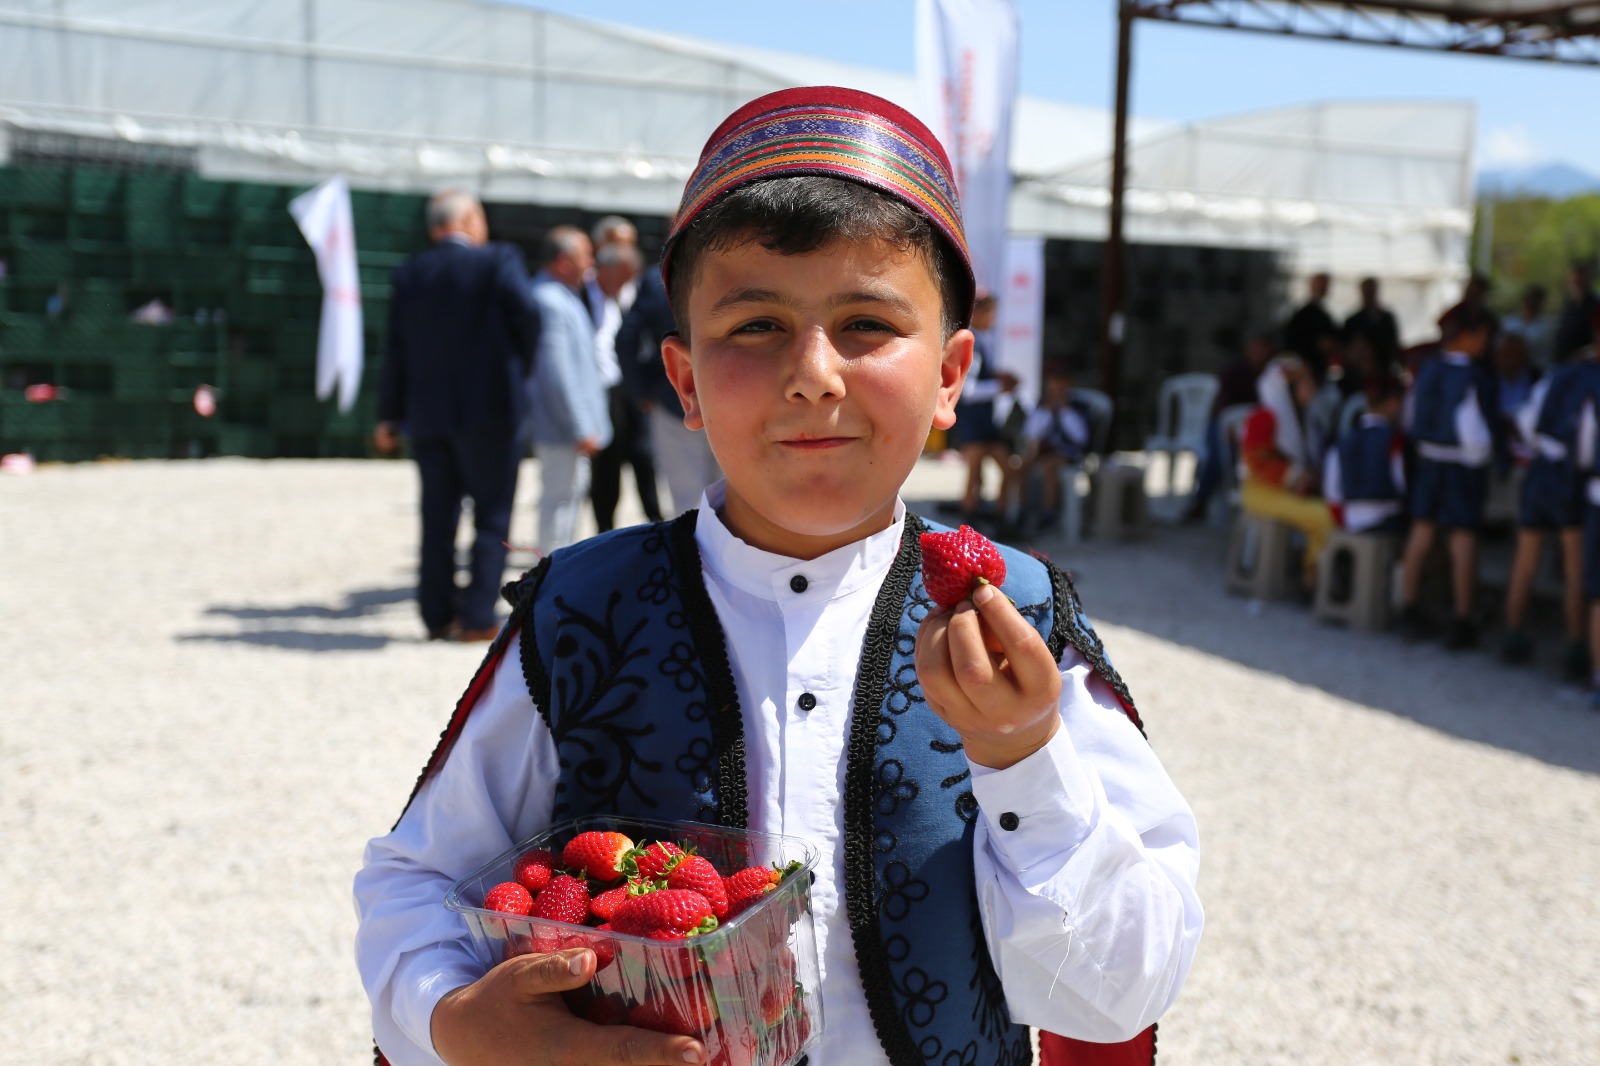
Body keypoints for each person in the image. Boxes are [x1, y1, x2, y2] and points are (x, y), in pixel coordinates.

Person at [355, 86, 1201, 1066]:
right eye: (756, 326)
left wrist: (1023, 757)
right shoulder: (582, 611)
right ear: (685, 382)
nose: (813, 373)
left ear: (950, 376)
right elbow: (418, 879)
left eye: (867, 323)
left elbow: (1121, 987)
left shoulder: (1017, 617)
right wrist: (454, 1018)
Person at [373, 189, 540, 642]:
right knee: (491, 514)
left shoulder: (410, 273)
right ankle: (477, 616)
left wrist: (389, 416)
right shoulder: (499, 261)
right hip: (492, 410)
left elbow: (395, 352)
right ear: (468, 220)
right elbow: (528, 318)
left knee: (436, 518)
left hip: (428, 415)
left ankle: (436, 615)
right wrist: (516, 373)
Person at [1396, 306, 1497, 649]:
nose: (1486, 344)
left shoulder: (1427, 369)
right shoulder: (1473, 377)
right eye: (1483, 337)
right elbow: (1475, 433)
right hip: (1460, 466)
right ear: (1466, 336)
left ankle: (1408, 607)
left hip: (1428, 460)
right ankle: (1462, 618)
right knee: (1462, 539)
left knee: (1421, 533)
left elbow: (1410, 417)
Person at [1501, 349, 1600, 675]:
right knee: (1574, 568)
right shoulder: (1592, 381)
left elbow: (1526, 421)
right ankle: (1576, 648)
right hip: (1569, 479)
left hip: (1540, 470)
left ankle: (1512, 635)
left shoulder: (1556, 375)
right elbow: (1587, 443)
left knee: (1525, 560)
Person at [526, 225, 611, 554]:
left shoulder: (563, 297)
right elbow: (557, 373)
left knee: (569, 496)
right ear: (564, 262)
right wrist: (580, 426)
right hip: (562, 428)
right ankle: (550, 569)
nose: (591, 263)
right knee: (559, 499)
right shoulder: (550, 301)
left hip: (568, 427)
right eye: (585, 255)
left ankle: (556, 566)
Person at [617, 263, 723, 517]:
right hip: (729, 398)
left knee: (688, 501)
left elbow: (626, 337)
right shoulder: (738, 264)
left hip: (675, 400)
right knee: (732, 500)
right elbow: (626, 338)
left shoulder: (656, 278)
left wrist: (641, 392)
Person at [587, 241, 664, 532]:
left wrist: (641, 389)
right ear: (608, 270)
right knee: (607, 466)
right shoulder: (584, 295)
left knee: (644, 458)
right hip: (602, 393)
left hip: (632, 390)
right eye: (625, 275)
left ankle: (655, 520)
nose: (628, 281)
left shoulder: (631, 292)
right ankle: (604, 528)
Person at [1239, 355, 1333, 585]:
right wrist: (1296, 476)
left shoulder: (1307, 419)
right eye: (1305, 383)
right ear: (1289, 389)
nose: (1312, 388)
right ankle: (1310, 575)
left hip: (1286, 491)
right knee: (1325, 517)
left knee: (1334, 511)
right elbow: (1256, 463)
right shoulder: (1263, 417)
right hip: (1262, 491)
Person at [1182, 330, 1273, 523]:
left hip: (1253, 430)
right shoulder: (1232, 371)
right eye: (1256, 347)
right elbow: (1225, 406)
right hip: (1223, 425)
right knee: (1219, 454)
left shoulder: (1271, 375)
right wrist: (1231, 428)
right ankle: (1200, 502)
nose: (1259, 352)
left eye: (1263, 348)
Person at [949, 288, 1021, 523]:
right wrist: (1000, 386)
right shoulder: (974, 344)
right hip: (974, 422)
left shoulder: (983, 341)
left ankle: (996, 517)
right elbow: (968, 390)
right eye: (990, 313)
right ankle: (971, 522)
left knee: (995, 472)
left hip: (984, 423)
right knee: (975, 475)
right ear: (977, 314)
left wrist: (997, 378)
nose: (993, 318)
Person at [1002, 363, 1097, 533]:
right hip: (1043, 451)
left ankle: (1048, 513)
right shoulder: (1042, 404)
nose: (1057, 387)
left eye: (1061, 382)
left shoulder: (1079, 406)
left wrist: (1065, 411)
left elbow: (1080, 438)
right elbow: (1031, 433)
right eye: (1054, 382)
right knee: (1021, 465)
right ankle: (1021, 511)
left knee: (1049, 466)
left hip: (1068, 453)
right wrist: (1046, 412)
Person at [1323, 373, 1406, 536]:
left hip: (1350, 521)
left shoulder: (1341, 443)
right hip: (1389, 520)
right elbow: (1403, 484)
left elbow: (1332, 494)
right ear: (1393, 402)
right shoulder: (1395, 441)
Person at [1283, 272, 1338, 380]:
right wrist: (1316, 345)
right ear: (1311, 285)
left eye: (1324, 285)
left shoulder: (1325, 316)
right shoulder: (1301, 315)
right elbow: (1292, 342)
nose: (1322, 288)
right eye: (1319, 284)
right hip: (1305, 369)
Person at [1342, 276, 1401, 369]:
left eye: (1371, 292)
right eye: (1367, 292)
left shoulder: (1386, 317)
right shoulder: (1352, 321)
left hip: (1384, 366)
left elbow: (1393, 342)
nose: (1369, 295)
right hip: (1360, 370)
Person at [1554, 264, 1599, 364]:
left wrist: (1584, 353)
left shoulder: (1595, 307)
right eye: (1574, 281)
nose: (1577, 284)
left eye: (1581, 281)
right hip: (1562, 363)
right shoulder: (1568, 306)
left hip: (1585, 365)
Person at [1502, 283, 1553, 368]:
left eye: (1534, 303)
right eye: (1527, 301)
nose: (1529, 305)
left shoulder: (1547, 327)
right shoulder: (1508, 323)